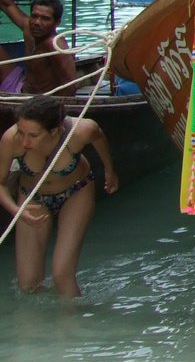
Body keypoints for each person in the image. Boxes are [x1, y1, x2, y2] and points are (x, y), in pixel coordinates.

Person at [1, 94, 118, 296]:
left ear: (54, 131)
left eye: (33, 135)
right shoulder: (11, 140)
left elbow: (98, 135)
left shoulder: (81, 130)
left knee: (62, 274)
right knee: (28, 284)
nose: (25, 141)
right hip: (33, 197)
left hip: (76, 191)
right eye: (21, 132)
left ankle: (72, 325)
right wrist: (17, 210)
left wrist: (110, 170)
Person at [0, 0, 77, 94]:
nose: (37, 22)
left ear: (57, 23)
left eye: (45, 18)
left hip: (38, 101)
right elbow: (7, 5)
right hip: (21, 85)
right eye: (34, 16)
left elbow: (71, 85)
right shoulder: (29, 27)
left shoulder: (55, 44)